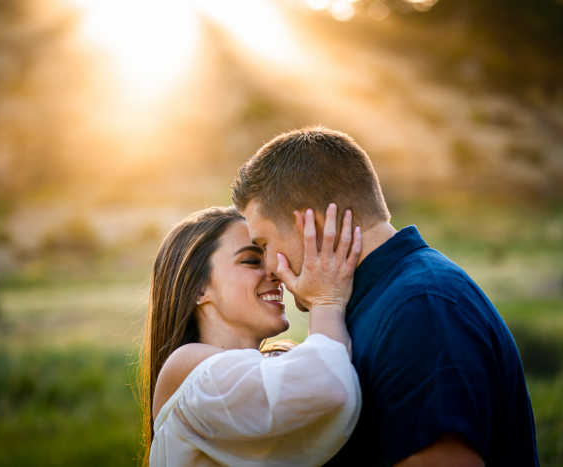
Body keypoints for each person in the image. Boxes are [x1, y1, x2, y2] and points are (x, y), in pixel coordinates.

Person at [231, 126, 540, 466]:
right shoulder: (383, 303)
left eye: (264, 244)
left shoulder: (420, 308)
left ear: (313, 225)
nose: (270, 270)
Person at [138, 205, 363, 467]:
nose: (275, 271)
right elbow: (328, 388)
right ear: (198, 287)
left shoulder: (279, 363)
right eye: (252, 260)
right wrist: (325, 299)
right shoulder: (185, 366)